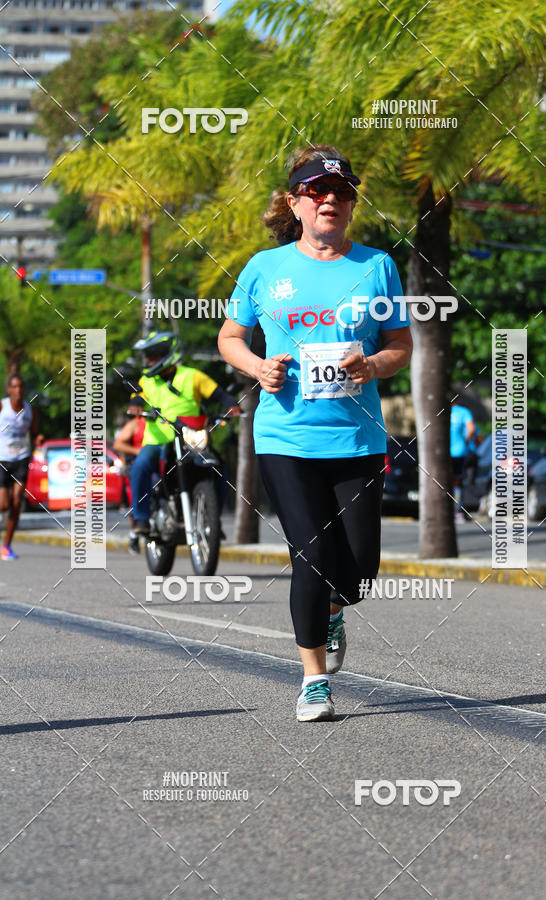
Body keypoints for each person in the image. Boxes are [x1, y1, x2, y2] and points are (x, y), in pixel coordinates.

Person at [218, 144, 412, 722]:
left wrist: (371, 365)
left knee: (356, 575)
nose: (330, 200)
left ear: (352, 206)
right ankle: (314, 680)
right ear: (295, 203)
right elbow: (231, 337)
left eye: (342, 193)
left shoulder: (376, 267)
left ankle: (334, 610)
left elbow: (400, 346)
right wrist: (258, 367)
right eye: (317, 192)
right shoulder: (265, 268)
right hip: (286, 437)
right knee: (311, 552)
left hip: (356, 440)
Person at [129, 331, 241, 534]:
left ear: (166, 353)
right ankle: (141, 518)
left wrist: (232, 406)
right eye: (146, 355)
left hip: (191, 439)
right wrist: (136, 406)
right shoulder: (146, 381)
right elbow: (137, 398)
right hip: (158, 440)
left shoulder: (192, 376)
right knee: (140, 466)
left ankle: (212, 520)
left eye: (152, 354)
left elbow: (221, 395)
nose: (148, 360)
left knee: (219, 467)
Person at [0, 374, 43, 560]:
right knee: (4, 505)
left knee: (17, 502)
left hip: (21, 459)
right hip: (2, 459)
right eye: (14, 387)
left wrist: (38, 438)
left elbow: (34, 433)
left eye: (20, 387)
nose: (17, 390)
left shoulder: (30, 410)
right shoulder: (2, 406)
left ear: (24, 389)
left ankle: (6, 546)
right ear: (9, 389)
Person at [113, 395, 146, 554]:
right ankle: (135, 534)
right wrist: (137, 451)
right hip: (135, 466)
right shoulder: (134, 425)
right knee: (137, 498)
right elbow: (118, 444)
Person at [450, 398, 475, 520]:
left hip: (442, 453)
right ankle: (458, 510)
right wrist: (465, 442)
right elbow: (471, 429)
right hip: (459, 451)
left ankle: (450, 508)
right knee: (458, 481)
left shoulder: (441, 410)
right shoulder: (464, 412)